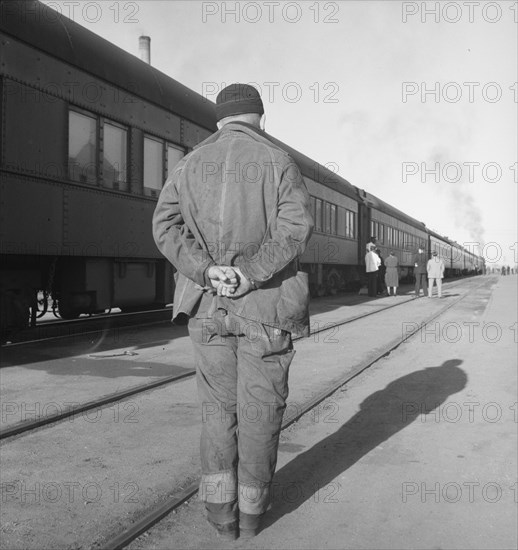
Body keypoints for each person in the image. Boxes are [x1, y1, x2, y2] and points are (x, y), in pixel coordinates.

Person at [152, 83, 314, 540]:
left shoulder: (188, 164)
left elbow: (164, 225)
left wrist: (207, 272)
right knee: (260, 411)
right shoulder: (279, 161)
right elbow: (295, 227)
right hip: (265, 308)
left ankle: (221, 516)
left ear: (219, 119)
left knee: (217, 411)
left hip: (206, 307)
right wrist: (250, 274)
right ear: (260, 117)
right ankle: (252, 514)